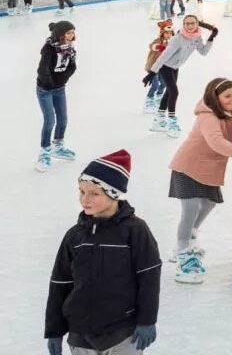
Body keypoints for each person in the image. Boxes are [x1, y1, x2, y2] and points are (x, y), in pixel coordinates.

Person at [45, 150, 161, 355]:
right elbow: (60, 283)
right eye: (81, 191)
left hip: (123, 333)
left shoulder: (135, 230)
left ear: (113, 193)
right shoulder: (75, 236)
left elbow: (149, 277)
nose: (85, 199)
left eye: (94, 194)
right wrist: (54, 330)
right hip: (80, 335)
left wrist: (147, 320)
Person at [167, 78, 232, 283]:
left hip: (208, 169)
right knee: (189, 209)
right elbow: (215, 141)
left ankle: (190, 234)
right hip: (188, 166)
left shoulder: (230, 113)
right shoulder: (207, 116)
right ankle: (181, 250)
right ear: (215, 97)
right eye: (227, 96)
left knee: (210, 202)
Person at [145, 15, 218, 138]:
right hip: (165, 66)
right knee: (174, 92)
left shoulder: (197, 37)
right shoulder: (178, 38)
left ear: (197, 24)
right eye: (187, 23)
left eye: (192, 23)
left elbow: (204, 52)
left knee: (169, 92)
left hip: (174, 67)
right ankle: (172, 121)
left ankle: (159, 120)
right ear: (183, 25)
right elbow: (164, 56)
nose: (189, 26)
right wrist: (152, 72)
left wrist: (211, 38)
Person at [35, 20, 78, 173]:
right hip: (45, 89)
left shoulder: (70, 48)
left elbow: (72, 66)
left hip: (59, 88)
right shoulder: (48, 48)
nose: (71, 36)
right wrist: (50, 83)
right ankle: (45, 152)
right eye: (68, 33)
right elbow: (42, 70)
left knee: (63, 119)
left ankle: (58, 146)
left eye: (73, 32)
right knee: (49, 120)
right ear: (60, 34)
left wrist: (62, 79)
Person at [143, 19, 173, 114]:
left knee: (164, 84)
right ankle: (149, 100)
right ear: (162, 33)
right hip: (152, 67)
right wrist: (159, 47)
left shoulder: (170, 43)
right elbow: (152, 46)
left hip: (161, 68)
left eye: (170, 33)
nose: (168, 35)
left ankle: (159, 97)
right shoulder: (158, 40)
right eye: (166, 33)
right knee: (155, 85)